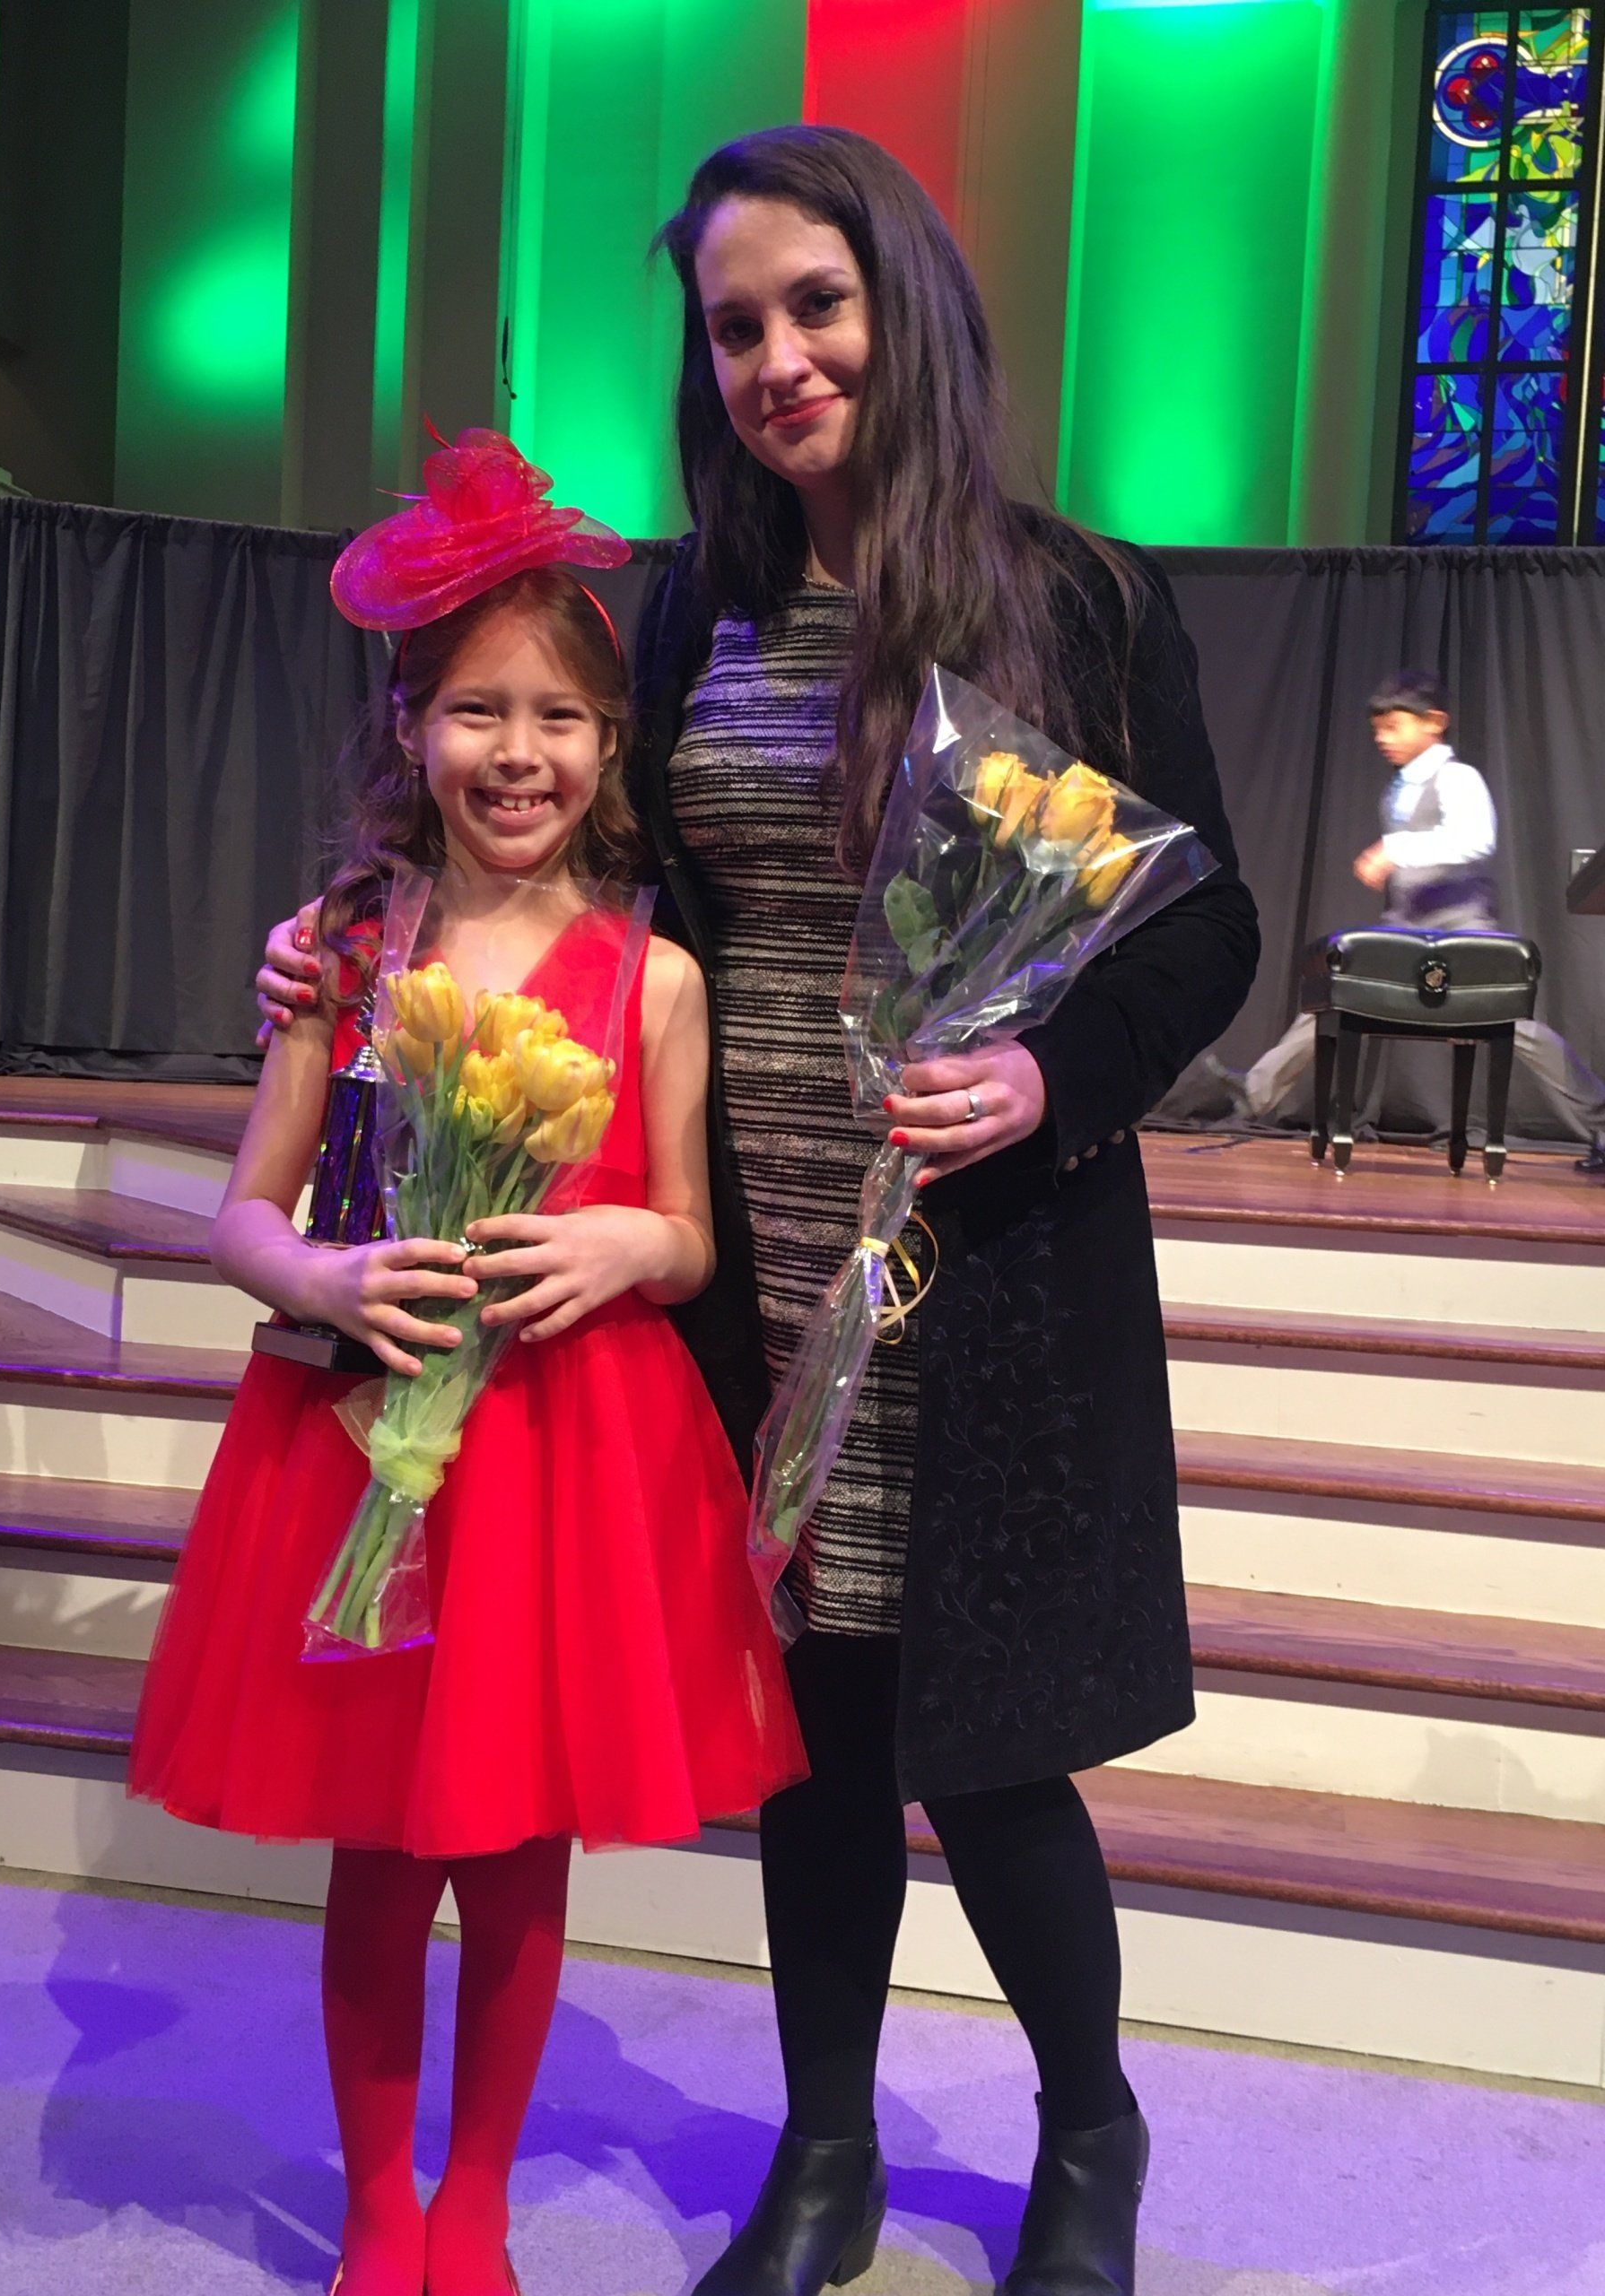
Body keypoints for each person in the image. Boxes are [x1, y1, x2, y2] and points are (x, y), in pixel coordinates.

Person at [261, 126, 1258, 2296]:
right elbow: (571, 865)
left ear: (906, 306)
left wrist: (1048, 1075)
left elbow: (1208, 928)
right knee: (812, 1736)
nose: (779, 358)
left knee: (994, 1754)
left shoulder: (1078, 600)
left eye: (817, 304)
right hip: (753, 1260)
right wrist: (342, 932)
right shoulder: (694, 607)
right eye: (735, 327)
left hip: (984, 1256)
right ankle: (826, 2148)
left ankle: (1088, 2131)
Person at [132, 431, 806, 2296]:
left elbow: (690, 1230)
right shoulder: (347, 948)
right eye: (478, 712)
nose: (521, 753)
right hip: (365, 1440)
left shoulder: (655, 975)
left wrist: (629, 1244)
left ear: (611, 744)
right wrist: (324, 1270)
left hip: (567, 1462)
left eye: (562, 717)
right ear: (410, 726)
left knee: (518, 1846)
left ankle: (477, 2204)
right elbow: (243, 1214)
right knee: (382, 1843)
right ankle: (377, 2207)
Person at [1238, 669, 1605, 1153]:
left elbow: (1475, 839)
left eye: (1394, 727)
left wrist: (1394, 849)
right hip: (1406, 929)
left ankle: (1600, 1113)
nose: (1382, 738)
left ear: (1434, 722)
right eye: (1378, 729)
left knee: (1515, 1025)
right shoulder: (1400, 787)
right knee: (1333, 992)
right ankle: (1254, 1093)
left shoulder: (1457, 778)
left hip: (1461, 927)